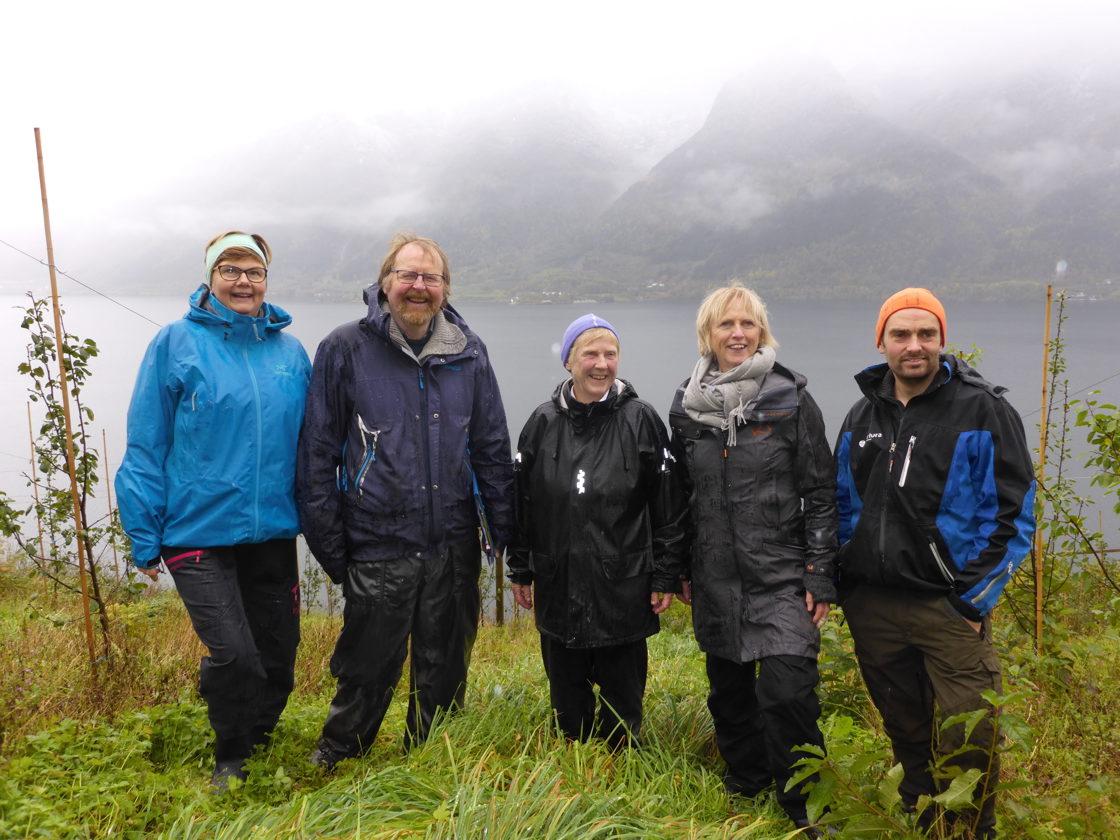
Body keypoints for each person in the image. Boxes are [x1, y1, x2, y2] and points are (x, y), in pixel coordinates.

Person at [298, 233, 514, 768]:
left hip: (454, 543)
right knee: (367, 665)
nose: (419, 287)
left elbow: (491, 447)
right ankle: (340, 755)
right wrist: (335, 551)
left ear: (445, 288)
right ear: (385, 282)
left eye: (431, 277)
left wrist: (506, 535)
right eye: (408, 276)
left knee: (445, 668)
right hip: (377, 541)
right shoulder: (344, 348)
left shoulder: (469, 350)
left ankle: (429, 761)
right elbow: (317, 456)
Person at [834, 288, 1035, 839]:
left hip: (946, 607)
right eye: (901, 334)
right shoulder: (862, 412)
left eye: (927, 334)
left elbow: (1015, 515)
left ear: (943, 340)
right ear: (882, 341)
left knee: (969, 734)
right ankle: (922, 822)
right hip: (874, 605)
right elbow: (843, 503)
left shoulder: (983, 408)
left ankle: (972, 829)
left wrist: (970, 600)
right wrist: (844, 584)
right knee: (906, 729)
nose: (914, 345)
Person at [115, 231, 311, 790]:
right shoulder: (175, 343)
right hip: (194, 530)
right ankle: (231, 754)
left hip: (271, 529)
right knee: (235, 654)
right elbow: (146, 441)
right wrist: (143, 532)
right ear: (209, 278)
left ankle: (261, 737)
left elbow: (316, 445)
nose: (243, 280)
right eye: (230, 269)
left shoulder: (290, 352)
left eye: (254, 271)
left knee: (279, 654)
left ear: (267, 280)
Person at [668, 285, 837, 838]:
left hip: (782, 573)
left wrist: (819, 572)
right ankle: (746, 780)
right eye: (726, 325)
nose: (738, 334)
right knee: (729, 690)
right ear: (707, 334)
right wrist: (682, 568)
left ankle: (807, 804)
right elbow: (683, 498)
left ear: (762, 332)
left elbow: (820, 490)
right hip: (716, 573)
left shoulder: (790, 397)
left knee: (788, 691)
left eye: (748, 324)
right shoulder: (686, 407)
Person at [507, 315, 687, 748]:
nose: (601, 363)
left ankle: (622, 763)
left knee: (623, 699)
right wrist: (520, 568)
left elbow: (668, 505)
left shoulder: (641, 420)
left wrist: (664, 575)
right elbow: (521, 503)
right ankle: (576, 767)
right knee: (567, 699)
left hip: (621, 586)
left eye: (610, 353)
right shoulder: (542, 423)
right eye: (590, 353)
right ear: (569, 360)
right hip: (558, 581)